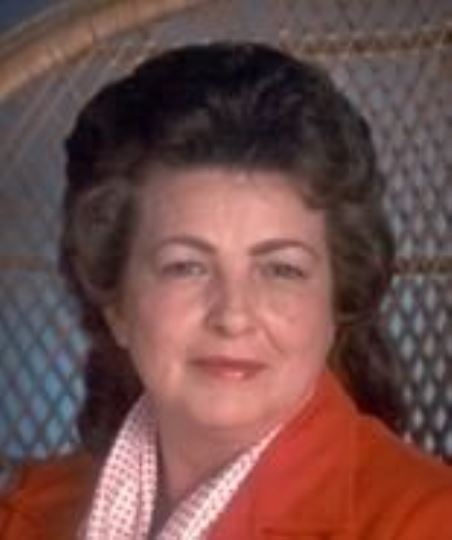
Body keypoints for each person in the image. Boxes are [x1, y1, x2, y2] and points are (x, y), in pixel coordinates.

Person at [1, 42, 451, 540]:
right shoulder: (26, 510)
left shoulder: (427, 522)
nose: (233, 315)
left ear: (336, 305)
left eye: (281, 270)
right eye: (186, 267)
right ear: (116, 306)